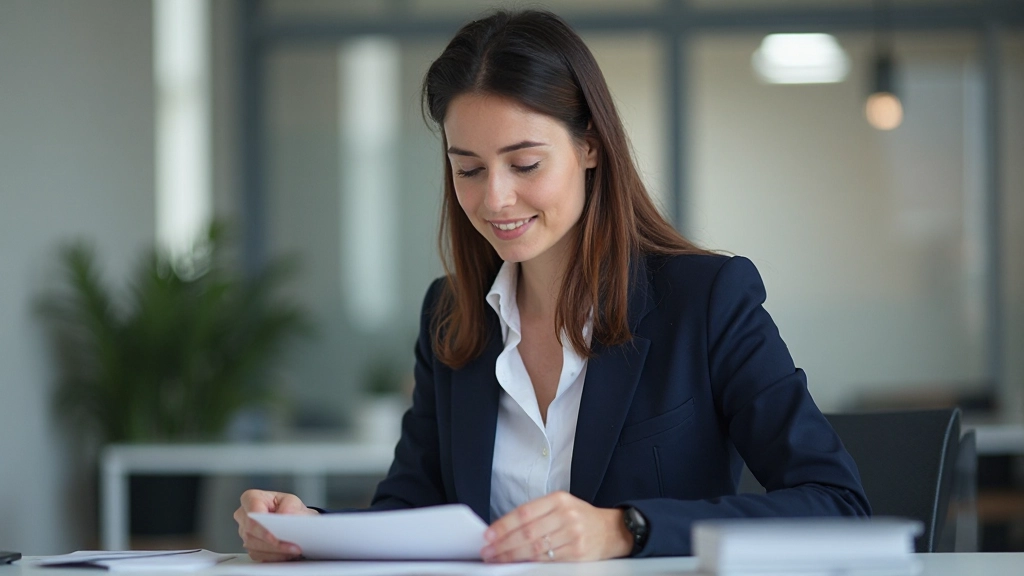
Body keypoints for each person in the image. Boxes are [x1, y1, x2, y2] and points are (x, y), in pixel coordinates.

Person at [234, 8, 870, 563]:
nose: (495, 198)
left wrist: (625, 530)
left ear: (590, 146)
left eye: (525, 163)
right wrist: (308, 530)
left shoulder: (706, 299)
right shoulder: (451, 315)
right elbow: (412, 511)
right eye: (469, 170)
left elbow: (837, 504)